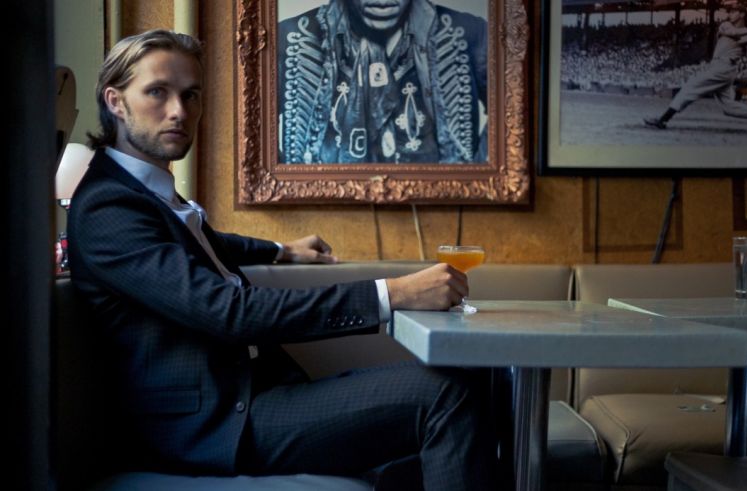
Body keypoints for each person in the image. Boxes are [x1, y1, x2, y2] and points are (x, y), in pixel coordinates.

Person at [67, 29, 495, 491]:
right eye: (157, 92)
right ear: (115, 101)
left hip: (256, 397)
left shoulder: (148, 195)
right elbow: (228, 313)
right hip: (211, 427)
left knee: (472, 392)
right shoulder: (107, 206)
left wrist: (280, 250)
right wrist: (393, 293)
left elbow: (200, 244)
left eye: (191, 95)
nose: (179, 111)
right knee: (448, 395)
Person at [277, 0, 487, 164]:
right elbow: (249, 130)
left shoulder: (468, 35)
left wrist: (475, 178)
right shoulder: (292, 38)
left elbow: (514, 106)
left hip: (440, 211)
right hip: (324, 211)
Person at [644, 1, 747, 133]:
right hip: (721, 68)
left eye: (733, 11)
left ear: (742, 14)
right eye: (729, 12)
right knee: (729, 107)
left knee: (690, 86)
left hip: (725, 67)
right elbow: (734, 33)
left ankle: (663, 120)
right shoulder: (725, 25)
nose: (730, 14)